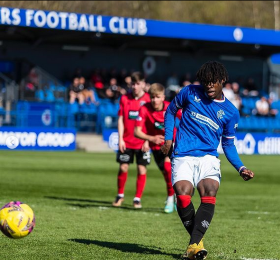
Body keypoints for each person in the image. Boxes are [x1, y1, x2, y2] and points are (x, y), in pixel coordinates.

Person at [161, 61, 255, 260]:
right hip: (183, 154)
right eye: (205, 82)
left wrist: (241, 167)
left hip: (208, 157)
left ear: (222, 81)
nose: (209, 86)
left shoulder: (230, 112)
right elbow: (170, 112)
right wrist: (168, 139)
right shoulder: (189, 92)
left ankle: (193, 245)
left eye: (213, 82)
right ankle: (197, 243)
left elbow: (228, 145)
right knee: (183, 193)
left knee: (210, 190)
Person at [134, 83, 175, 213]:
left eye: (157, 97)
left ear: (163, 97)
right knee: (166, 173)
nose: (154, 100)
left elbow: (186, 117)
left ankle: (170, 199)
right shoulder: (144, 109)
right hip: (156, 147)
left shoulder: (170, 107)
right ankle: (173, 196)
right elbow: (137, 131)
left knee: (169, 169)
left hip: (171, 144)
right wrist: (151, 139)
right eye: (152, 97)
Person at [112, 72, 151, 209]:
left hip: (142, 142)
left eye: (138, 84)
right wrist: (121, 139)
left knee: (142, 170)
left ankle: (137, 198)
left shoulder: (148, 99)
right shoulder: (124, 98)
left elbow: (150, 122)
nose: (135, 86)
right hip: (127, 141)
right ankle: (120, 195)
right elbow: (121, 119)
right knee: (123, 167)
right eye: (133, 84)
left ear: (143, 84)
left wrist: (147, 140)